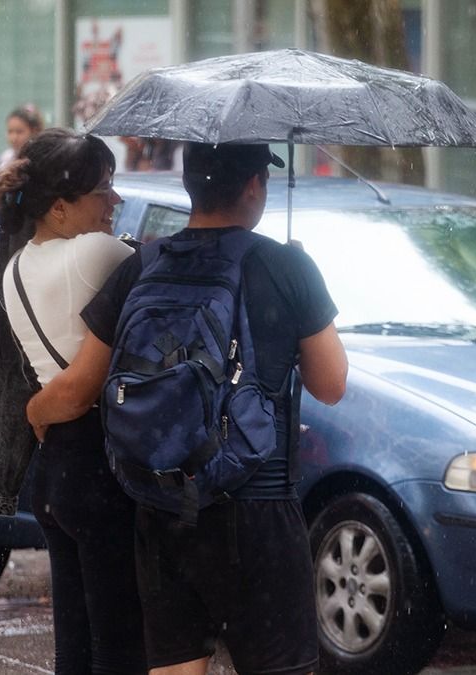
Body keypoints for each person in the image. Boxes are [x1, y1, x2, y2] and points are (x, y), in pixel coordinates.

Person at [27, 142, 348, 675]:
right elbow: (331, 384)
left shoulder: (143, 265)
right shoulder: (286, 265)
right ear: (253, 186)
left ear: (188, 185)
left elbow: (84, 381)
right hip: (257, 509)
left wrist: (34, 412)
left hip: (163, 505)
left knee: (176, 669)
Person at [0, 128, 146, 674]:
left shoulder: (11, 270)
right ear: (59, 208)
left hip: (54, 468)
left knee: (74, 644)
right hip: (102, 464)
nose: (116, 202)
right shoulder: (93, 253)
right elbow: (165, 269)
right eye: (104, 189)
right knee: (119, 641)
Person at [0, 104, 44, 214]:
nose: (14, 137)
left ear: (34, 131)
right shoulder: (4, 159)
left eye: (19, 132)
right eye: (10, 132)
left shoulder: (40, 160)